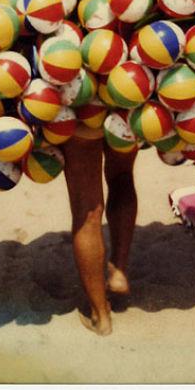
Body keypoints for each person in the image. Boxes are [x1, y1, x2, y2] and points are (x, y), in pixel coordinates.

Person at [62, 121, 137, 336]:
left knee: (87, 210)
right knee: (122, 175)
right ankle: (119, 271)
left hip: (81, 112)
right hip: (124, 98)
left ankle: (100, 315)